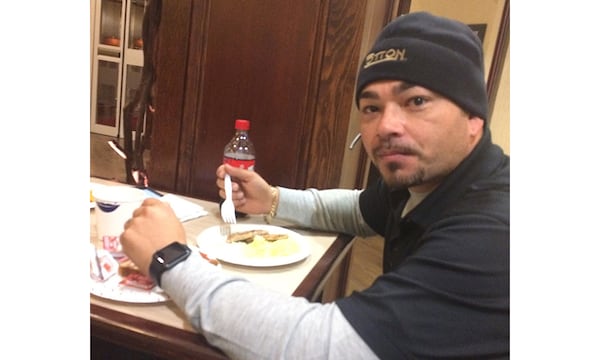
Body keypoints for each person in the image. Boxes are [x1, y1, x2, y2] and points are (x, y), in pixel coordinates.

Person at [121, 11, 509, 359]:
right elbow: (357, 209)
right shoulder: (424, 182)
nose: (388, 126)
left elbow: (317, 345)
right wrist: (271, 199)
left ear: (474, 117)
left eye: (417, 101)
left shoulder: (494, 231)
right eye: (372, 108)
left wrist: (170, 258)